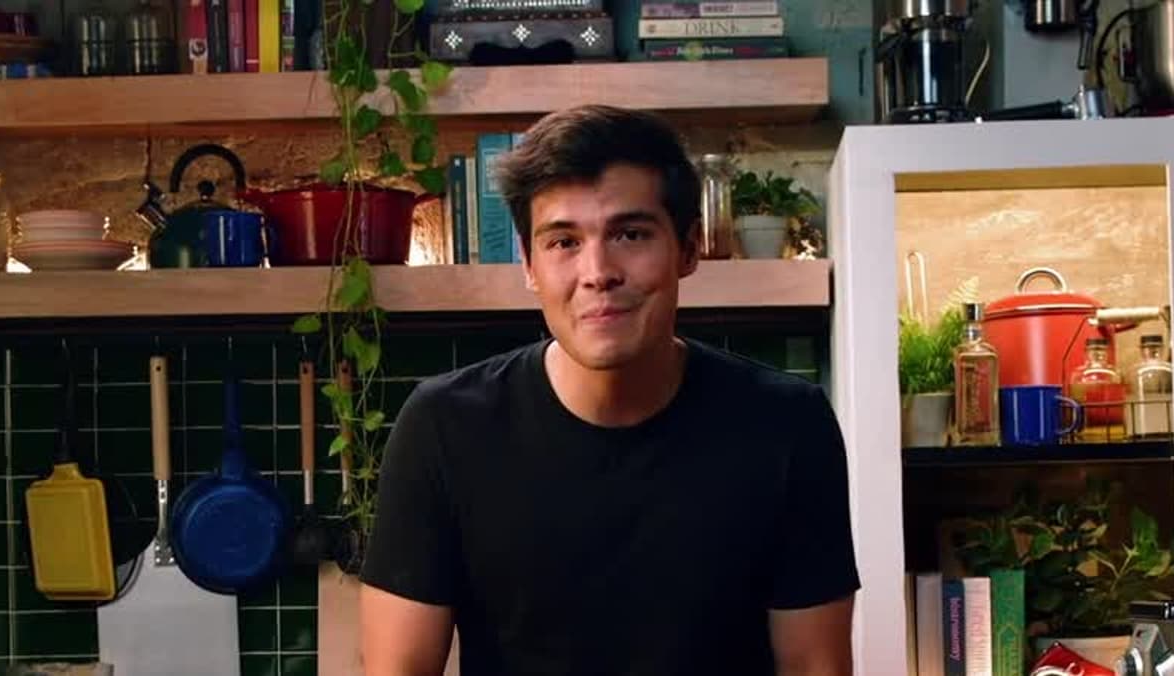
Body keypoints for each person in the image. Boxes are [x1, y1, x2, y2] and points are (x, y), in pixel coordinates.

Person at [358, 104, 859, 676]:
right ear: (528, 264)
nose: (598, 271)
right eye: (563, 242)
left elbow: (815, 666)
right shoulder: (444, 426)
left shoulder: (787, 425)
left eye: (630, 234)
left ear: (688, 248)